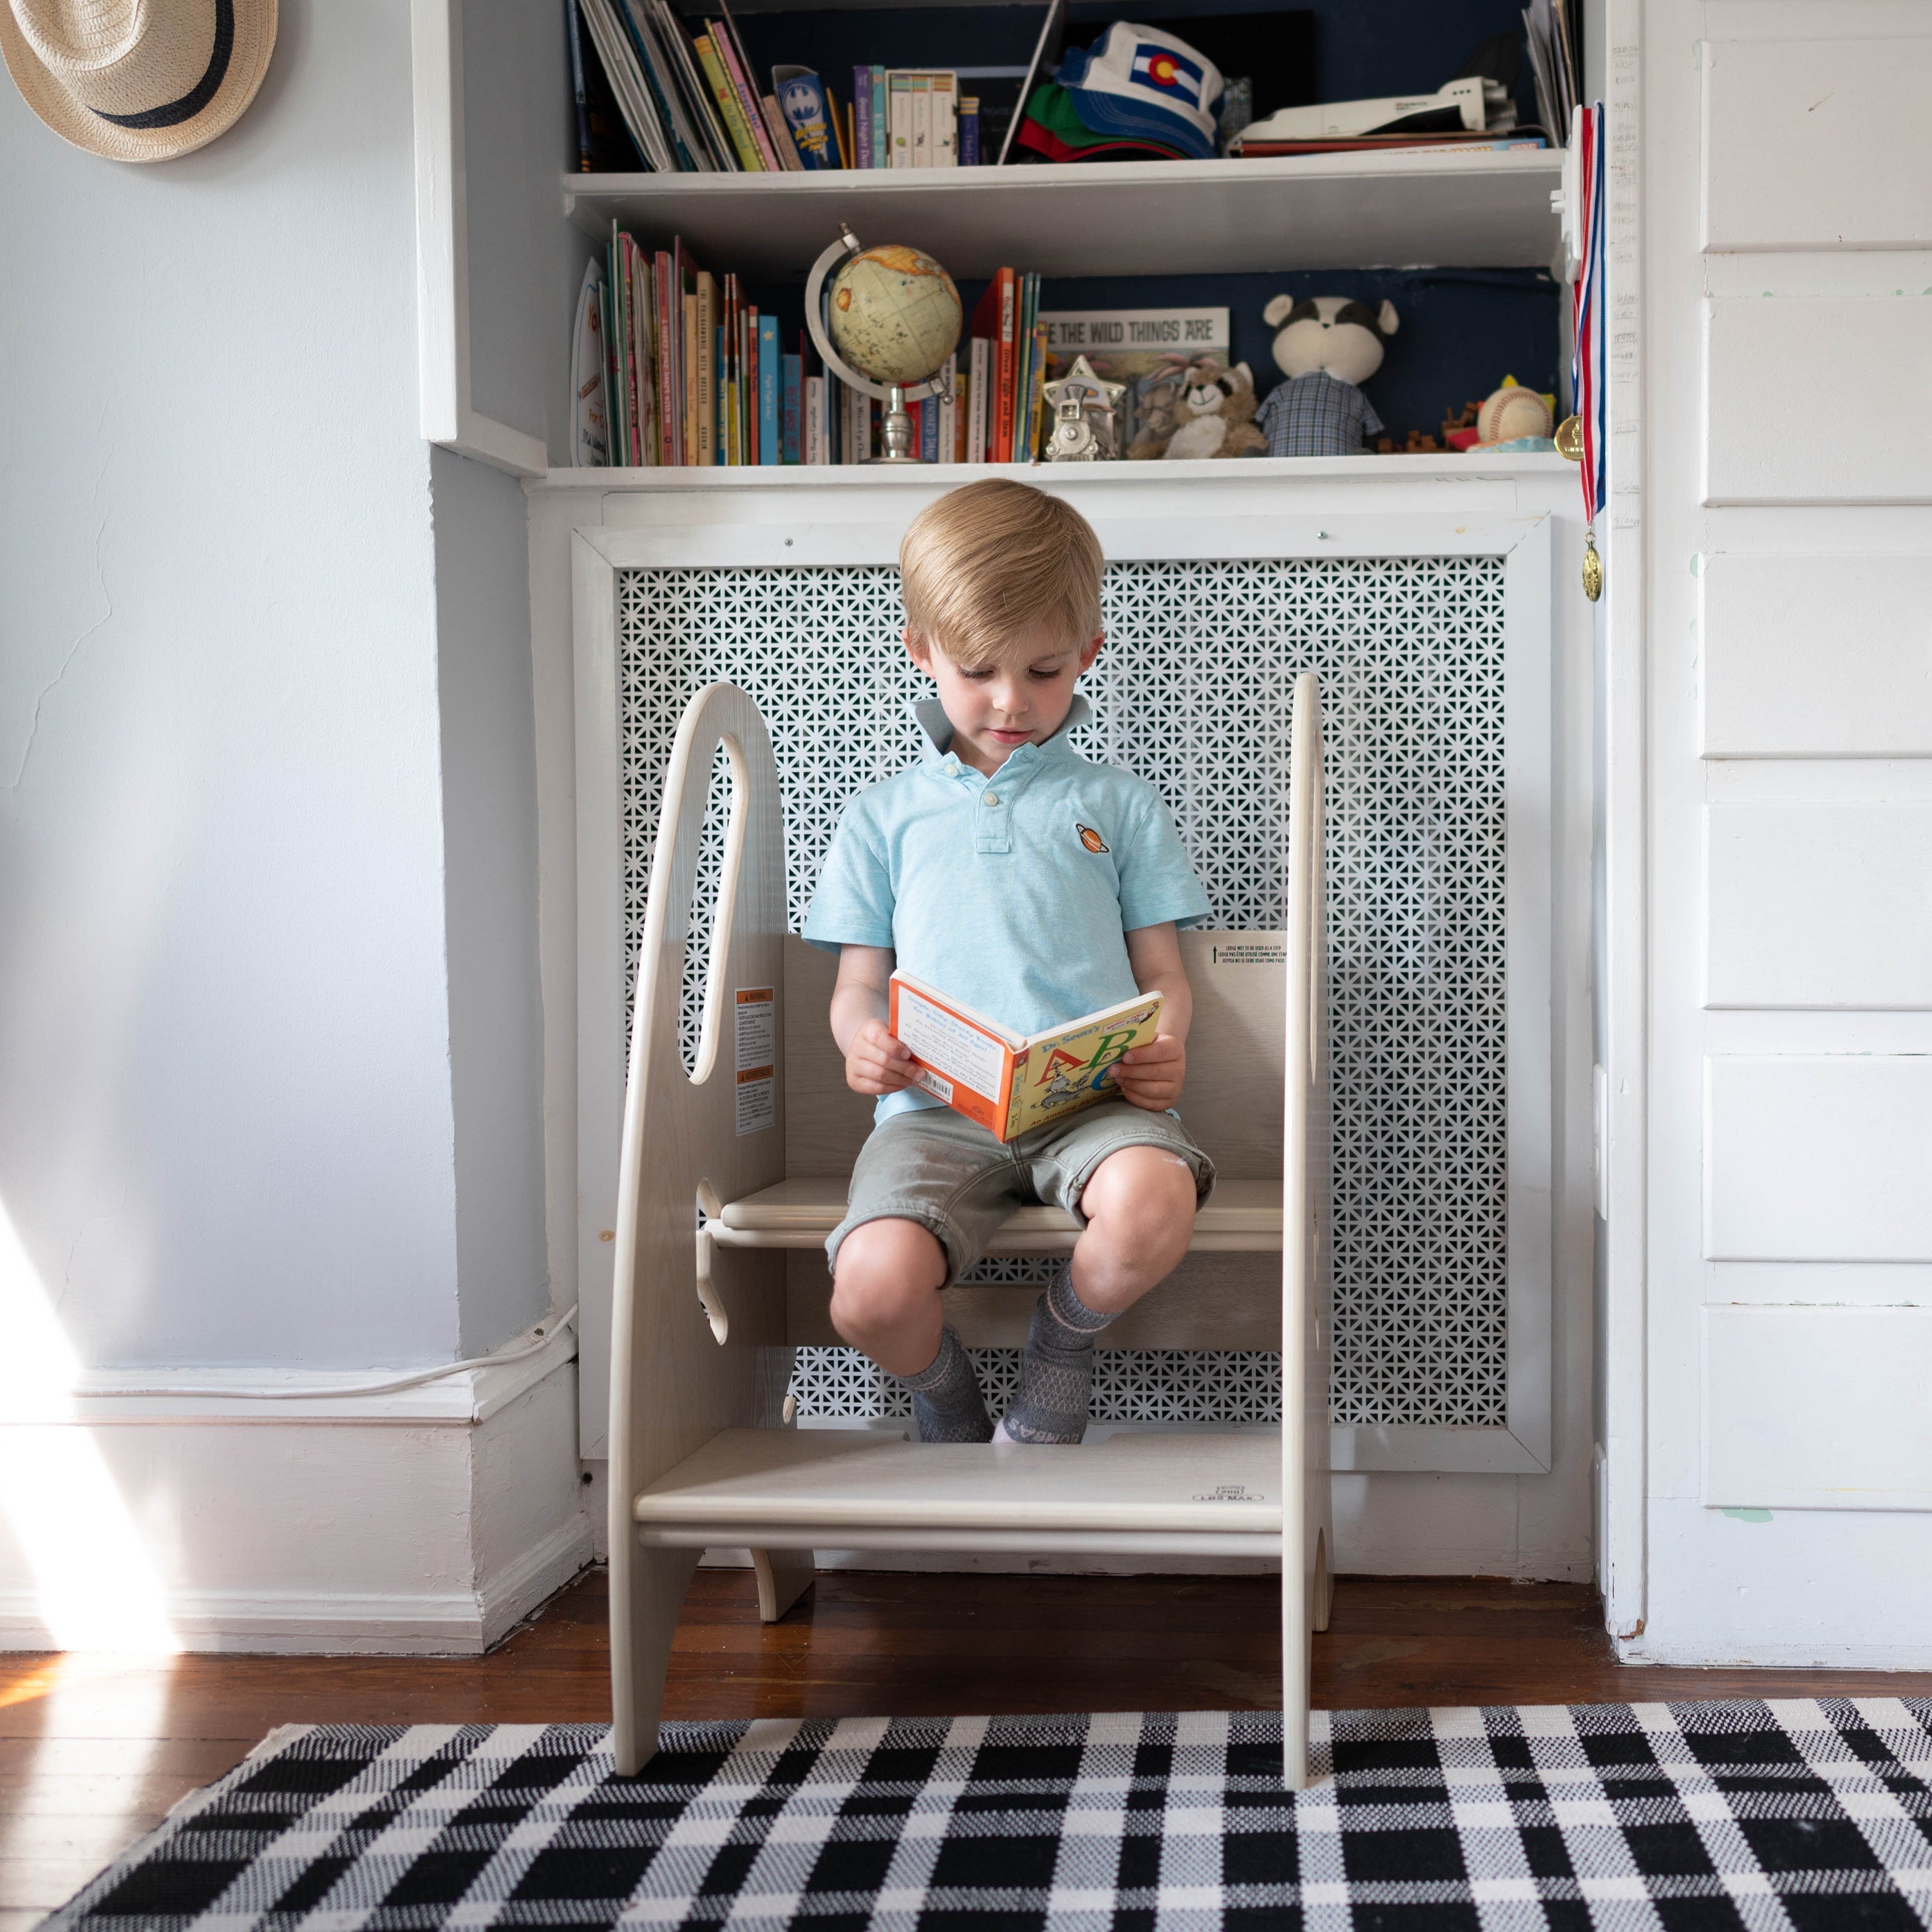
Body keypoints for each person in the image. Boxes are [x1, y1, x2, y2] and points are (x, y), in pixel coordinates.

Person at [803, 478, 1215, 1445]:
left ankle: (1062, 1344)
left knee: (1154, 1208)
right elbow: (857, 984)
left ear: (1088, 654)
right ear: (921, 651)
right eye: (979, 669)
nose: (1011, 701)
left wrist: (1163, 1049)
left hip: (1095, 1104)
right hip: (933, 1116)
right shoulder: (882, 817)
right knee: (869, 1294)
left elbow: (1164, 976)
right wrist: (863, 1042)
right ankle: (946, 1393)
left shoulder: (1119, 804)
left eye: (1044, 670)